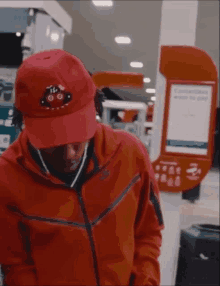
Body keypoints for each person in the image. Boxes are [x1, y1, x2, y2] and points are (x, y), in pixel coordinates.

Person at [0, 49, 164, 286]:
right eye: (52, 141)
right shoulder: (7, 178)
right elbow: (16, 265)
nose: (69, 154)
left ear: (95, 107)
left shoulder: (129, 154)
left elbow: (148, 231)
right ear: (23, 121)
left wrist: (145, 280)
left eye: (77, 135)